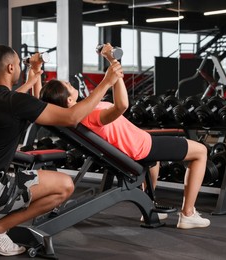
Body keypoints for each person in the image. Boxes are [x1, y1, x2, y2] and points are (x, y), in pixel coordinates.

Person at [0, 45, 124, 256]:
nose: (21, 69)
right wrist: (107, 82)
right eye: (20, 66)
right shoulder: (14, 101)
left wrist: (32, 79)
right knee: (65, 185)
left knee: (0, 173)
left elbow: (19, 101)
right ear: (11, 67)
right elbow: (71, 117)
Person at [39, 43, 210, 230]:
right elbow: (121, 106)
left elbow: (38, 103)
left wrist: (35, 71)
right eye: (68, 86)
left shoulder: (78, 113)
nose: (71, 84)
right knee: (200, 151)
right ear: (69, 100)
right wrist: (111, 68)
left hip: (140, 143)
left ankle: (149, 207)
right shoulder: (89, 115)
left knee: (156, 162)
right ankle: (188, 213)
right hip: (142, 148)